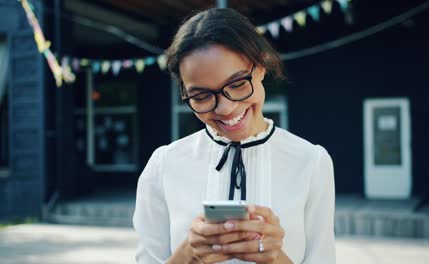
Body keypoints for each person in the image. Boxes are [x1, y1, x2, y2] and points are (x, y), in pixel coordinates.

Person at [133, 8, 335, 264]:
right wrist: (188, 254)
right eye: (202, 96)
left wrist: (275, 258)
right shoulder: (163, 165)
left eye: (238, 83)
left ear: (260, 66)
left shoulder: (311, 161)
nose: (226, 109)